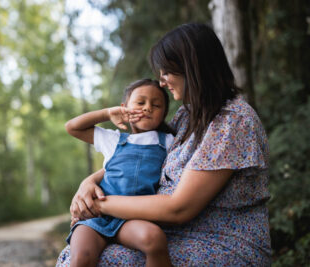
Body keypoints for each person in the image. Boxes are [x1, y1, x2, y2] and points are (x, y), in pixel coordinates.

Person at [57, 22, 271, 266]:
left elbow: (178, 209)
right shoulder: (187, 115)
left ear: (191, 68)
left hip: (220, 242)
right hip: (178, 234)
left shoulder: (232, 121)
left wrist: (98, 204)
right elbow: (141, 157)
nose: (161, 81)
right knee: (78, 253)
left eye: (167, 71)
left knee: (107, 260)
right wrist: (89, 183)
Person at [65, 79, 175, 267]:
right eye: (141, 103)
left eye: (156, 105)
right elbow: (72, 127)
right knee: (81, 258)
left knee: (155, 239)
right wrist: (108, 113)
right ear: (125, 107)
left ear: (163, 113)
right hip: (96, 217)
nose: (148, 108)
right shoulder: (113, 139)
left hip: (134, 218)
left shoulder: (168, 142)